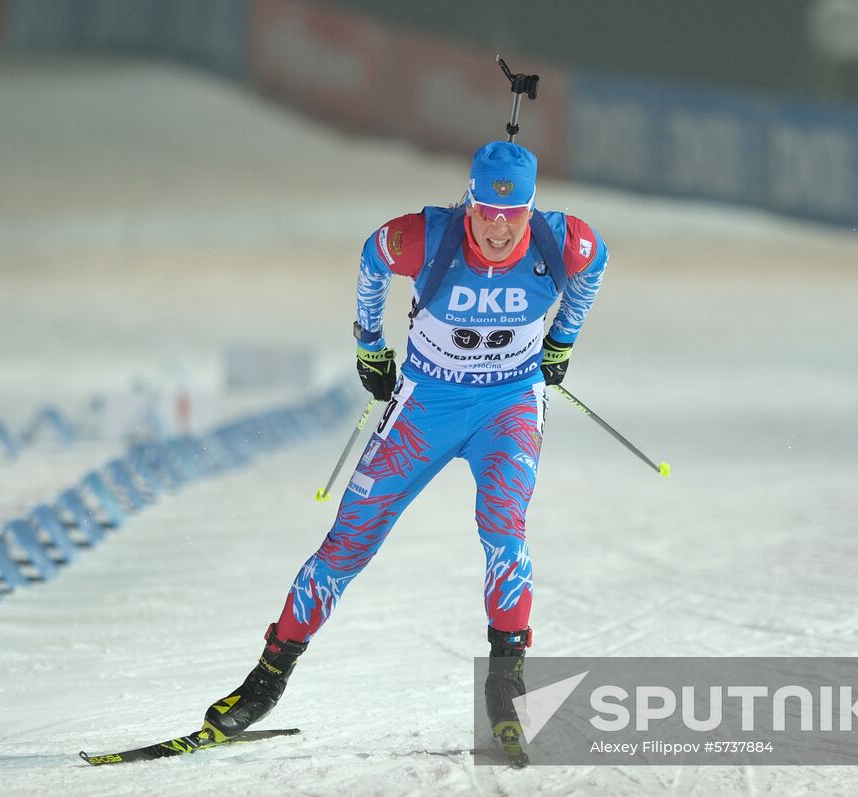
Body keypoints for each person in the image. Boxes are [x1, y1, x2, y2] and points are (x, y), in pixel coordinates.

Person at [199, 141, 608, 762]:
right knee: (348, 542)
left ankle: (506, 683)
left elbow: (596, 263)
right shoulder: (425, 237)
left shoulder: (562, 241)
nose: (498, 229)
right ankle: (266, 680)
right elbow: (371, 257)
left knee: (504, 528)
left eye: (514, 215)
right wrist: (369, 343)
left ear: (531, 211)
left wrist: (562, 340)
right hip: (424, 412)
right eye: (486, 214)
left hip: (509, 409)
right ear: (469, 203)